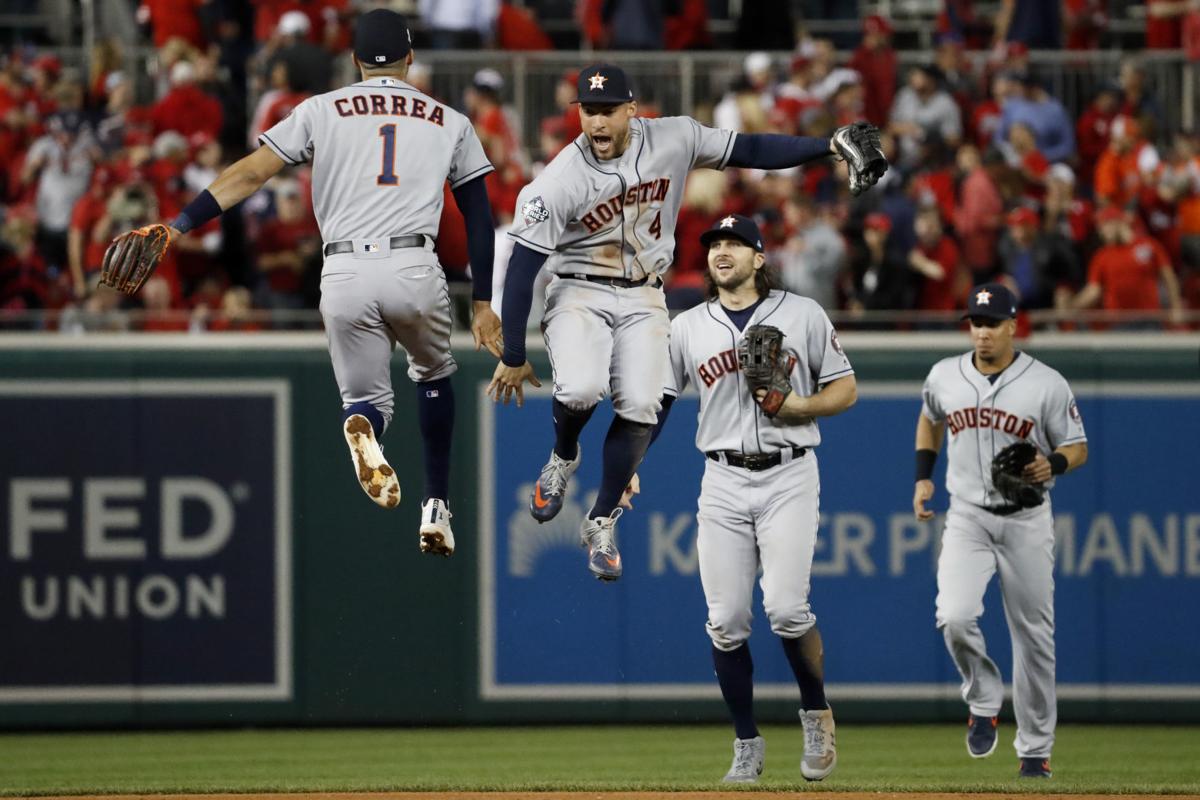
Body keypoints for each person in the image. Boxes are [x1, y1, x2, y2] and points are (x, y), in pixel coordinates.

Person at [112, 9, 501, 556]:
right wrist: (483, 301)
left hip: (342, 271)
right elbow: (480, 218)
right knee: (434, 372)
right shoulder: (449, 118)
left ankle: (364, 428)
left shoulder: (322, 109)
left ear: (355, 60)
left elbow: (250, 173)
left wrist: (180, 225)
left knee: (366, 402)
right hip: (412, 265)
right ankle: (435, 506)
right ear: (410, 59)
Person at [486, 63, 885, 581]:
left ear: (632, 108)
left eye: (608, 111)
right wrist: (515, 355)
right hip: (580, 288)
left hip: (645, 293)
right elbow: (521, 272)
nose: (598, 123)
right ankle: (563, 457)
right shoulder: (559, 179)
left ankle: (601, 518)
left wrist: (826, 146)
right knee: (582, 388)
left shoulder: (674, 137)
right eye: (589, 111)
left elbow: (750, 150)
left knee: (644, 406)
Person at [653, 214, 855, 783]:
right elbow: (660, 402)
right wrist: (631, 466)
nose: (722, 251)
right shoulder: (688, 325)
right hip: (720, 477)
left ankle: (816, 711)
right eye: (715, 243)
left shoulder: (803, 314)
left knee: (787, 609)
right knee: (726, 621)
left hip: (789, 472)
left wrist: (799, 407)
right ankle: (747, 742)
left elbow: (846, 388)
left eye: (735, 244)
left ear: (759, 257)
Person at [913, 282, 1088, 779]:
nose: (983, 332)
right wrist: (923, 477)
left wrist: (1051, 461)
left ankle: (1034, 753)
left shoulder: (1046, 383)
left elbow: (1078, 447)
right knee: (954, 615)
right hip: (968, 515)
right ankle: (984, 697)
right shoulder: (945, 374)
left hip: (1027, 519)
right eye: (976, 322)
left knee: (1034, 638)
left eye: (992, 323)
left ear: (1014, 324)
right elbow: (929, 419)